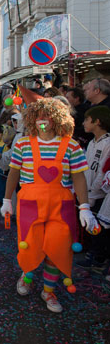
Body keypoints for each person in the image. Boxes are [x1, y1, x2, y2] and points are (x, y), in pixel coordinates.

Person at [1, 98, 91, 313]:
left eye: (48, 117)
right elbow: (13, 172)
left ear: (57, 118)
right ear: (32, 119)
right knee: (30, 245)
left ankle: (48, 290)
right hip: (30, 203)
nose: (43, 121)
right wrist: (6, 200)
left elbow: (79, 177)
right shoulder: (23, 143)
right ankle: (27, 275)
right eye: (39, 117)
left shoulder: (71, 145)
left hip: (62, 204)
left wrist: (85, 206)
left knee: (58, 249)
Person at [78, 106, 110, 272]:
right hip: (88, 191)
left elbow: (103, 170)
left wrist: (93, 191)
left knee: (100, 228)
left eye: (87, 120)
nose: (84, 123)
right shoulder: (91, 142)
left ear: (97, 122)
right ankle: (92, 254)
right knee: (91, 227)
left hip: (99, 195)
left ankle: (98, 257)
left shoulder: (107, 143)